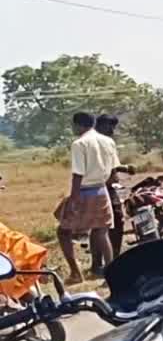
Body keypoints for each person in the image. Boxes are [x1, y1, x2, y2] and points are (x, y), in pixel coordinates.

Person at [54, 112, 120, 283]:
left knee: (63, 232)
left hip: (84, 192)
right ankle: (112, 274)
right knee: (101, 232)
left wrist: (74, 201)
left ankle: (76, 273)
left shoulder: (79, 143)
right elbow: (113, 173)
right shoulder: (108, 141)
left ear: (78, 125)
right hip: (101, 190)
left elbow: (78, 174)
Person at [94, 114, 135, 266]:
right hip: (102, 187)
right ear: (99, 126)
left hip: (101, 186)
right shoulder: (101, 142)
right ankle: (113, 261)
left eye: (113, 126)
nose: (111, 129)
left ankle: (98, 263)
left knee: (99, 225)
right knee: (116, 222)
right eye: (108, 126)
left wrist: (124, 168)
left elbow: (112, 164)